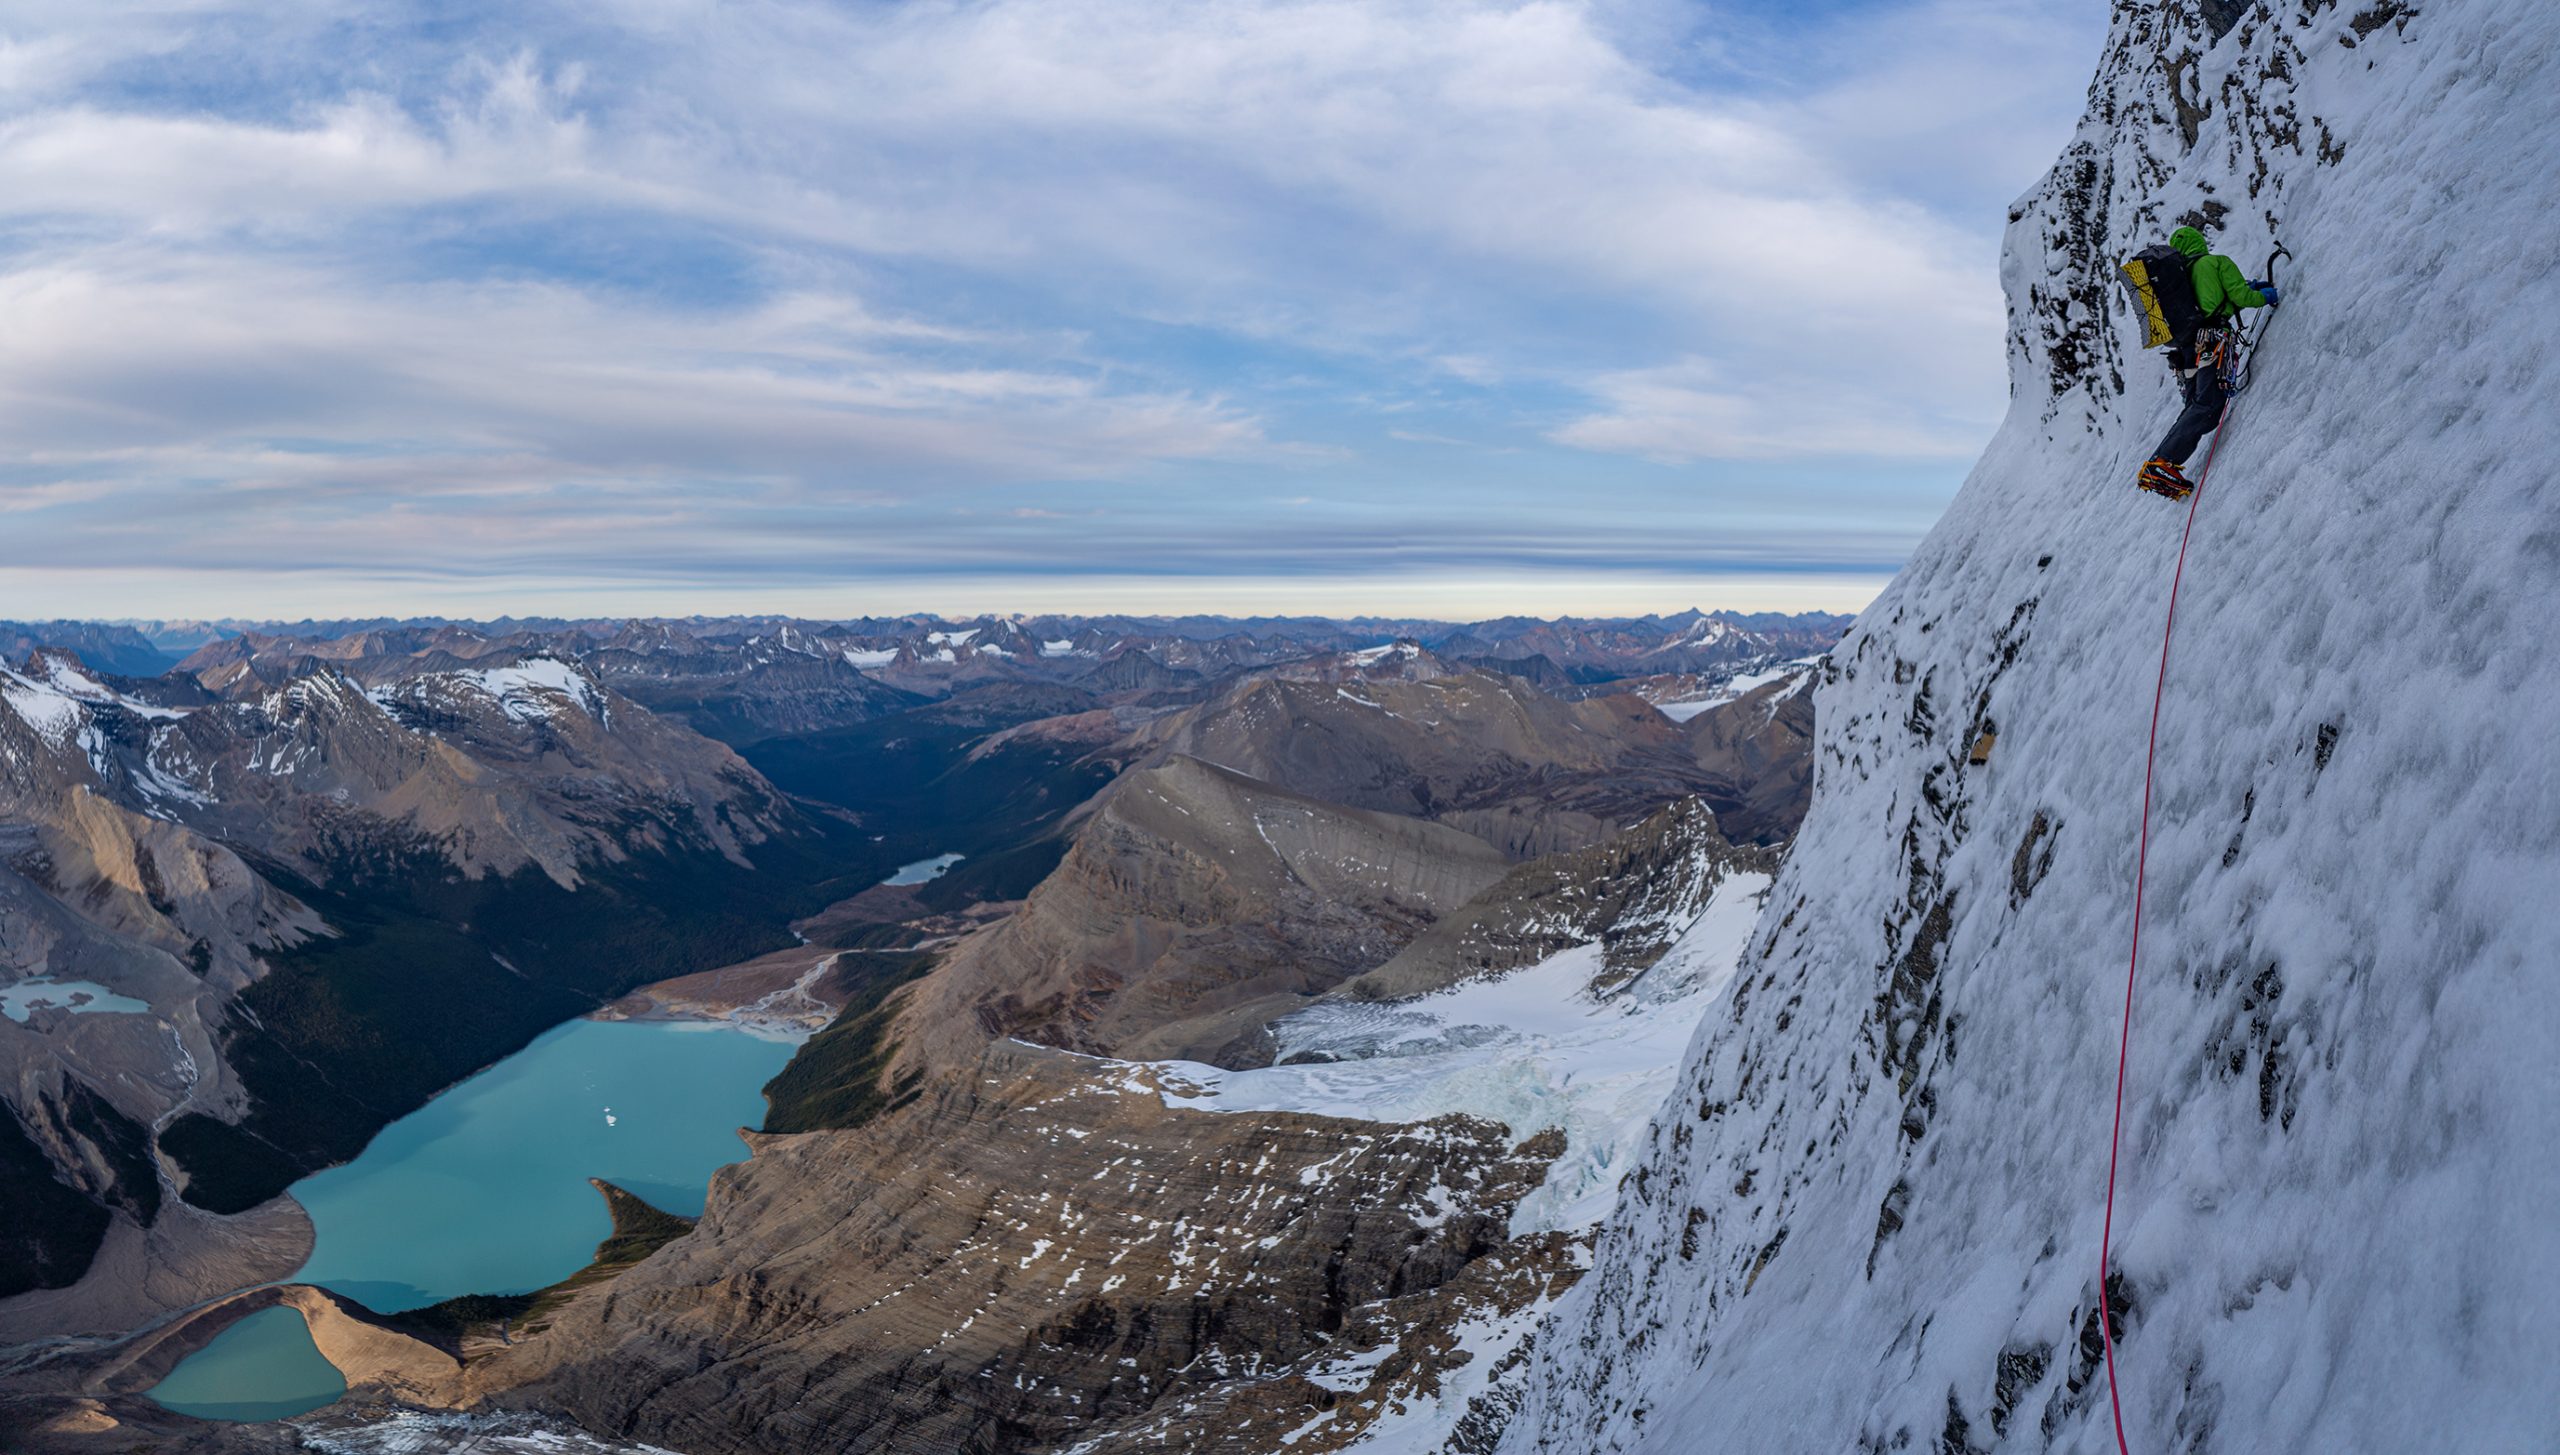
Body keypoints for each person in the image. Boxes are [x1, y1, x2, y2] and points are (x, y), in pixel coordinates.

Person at [2137, 226, 2281, 499]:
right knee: (2208, 404)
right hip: (2212, 340)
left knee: (2195, 404)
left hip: (2187, 349)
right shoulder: (2216, 262)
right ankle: (2162, 463)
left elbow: (2207, 302)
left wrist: (2243, 288)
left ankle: (2161, 463)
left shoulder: (2181, 277)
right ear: (2199, 242)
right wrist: (2264, 296)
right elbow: (2239, 298)